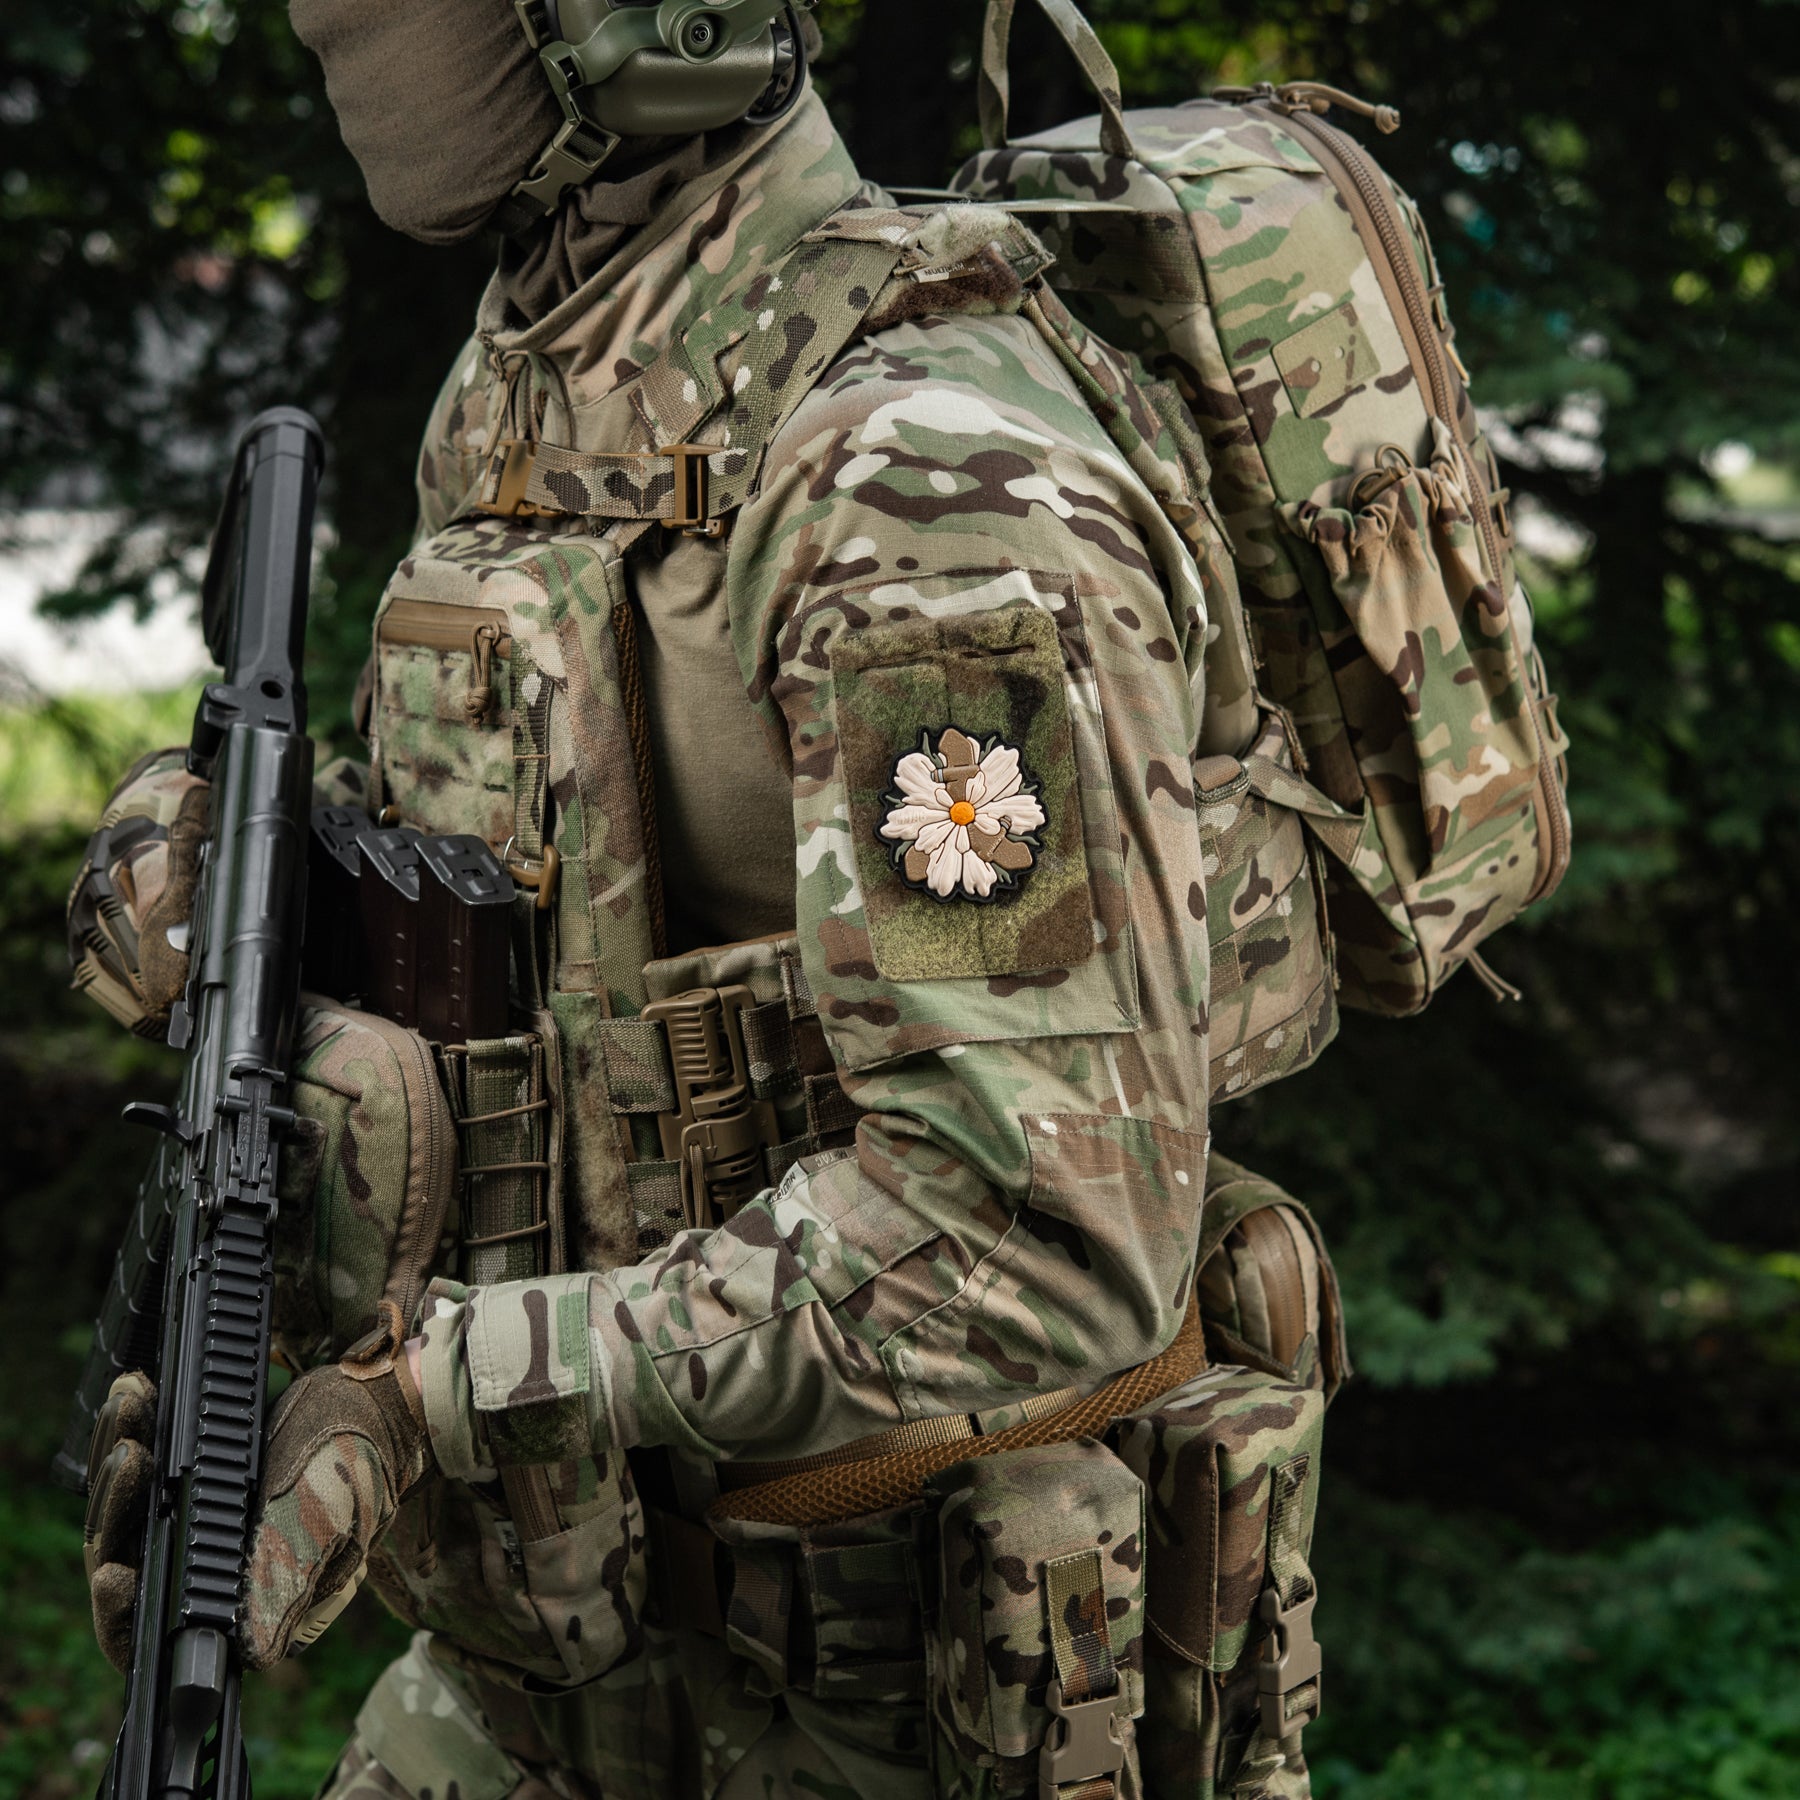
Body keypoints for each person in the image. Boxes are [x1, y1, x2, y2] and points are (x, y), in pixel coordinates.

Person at [74, 5, 1345, 1796]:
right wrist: (227, 862)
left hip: (886, 1693)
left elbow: (1037, 1235)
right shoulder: (549, 379)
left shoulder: (925, 491)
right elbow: (534, 897)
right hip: (548, 1663)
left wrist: (428, 1395)